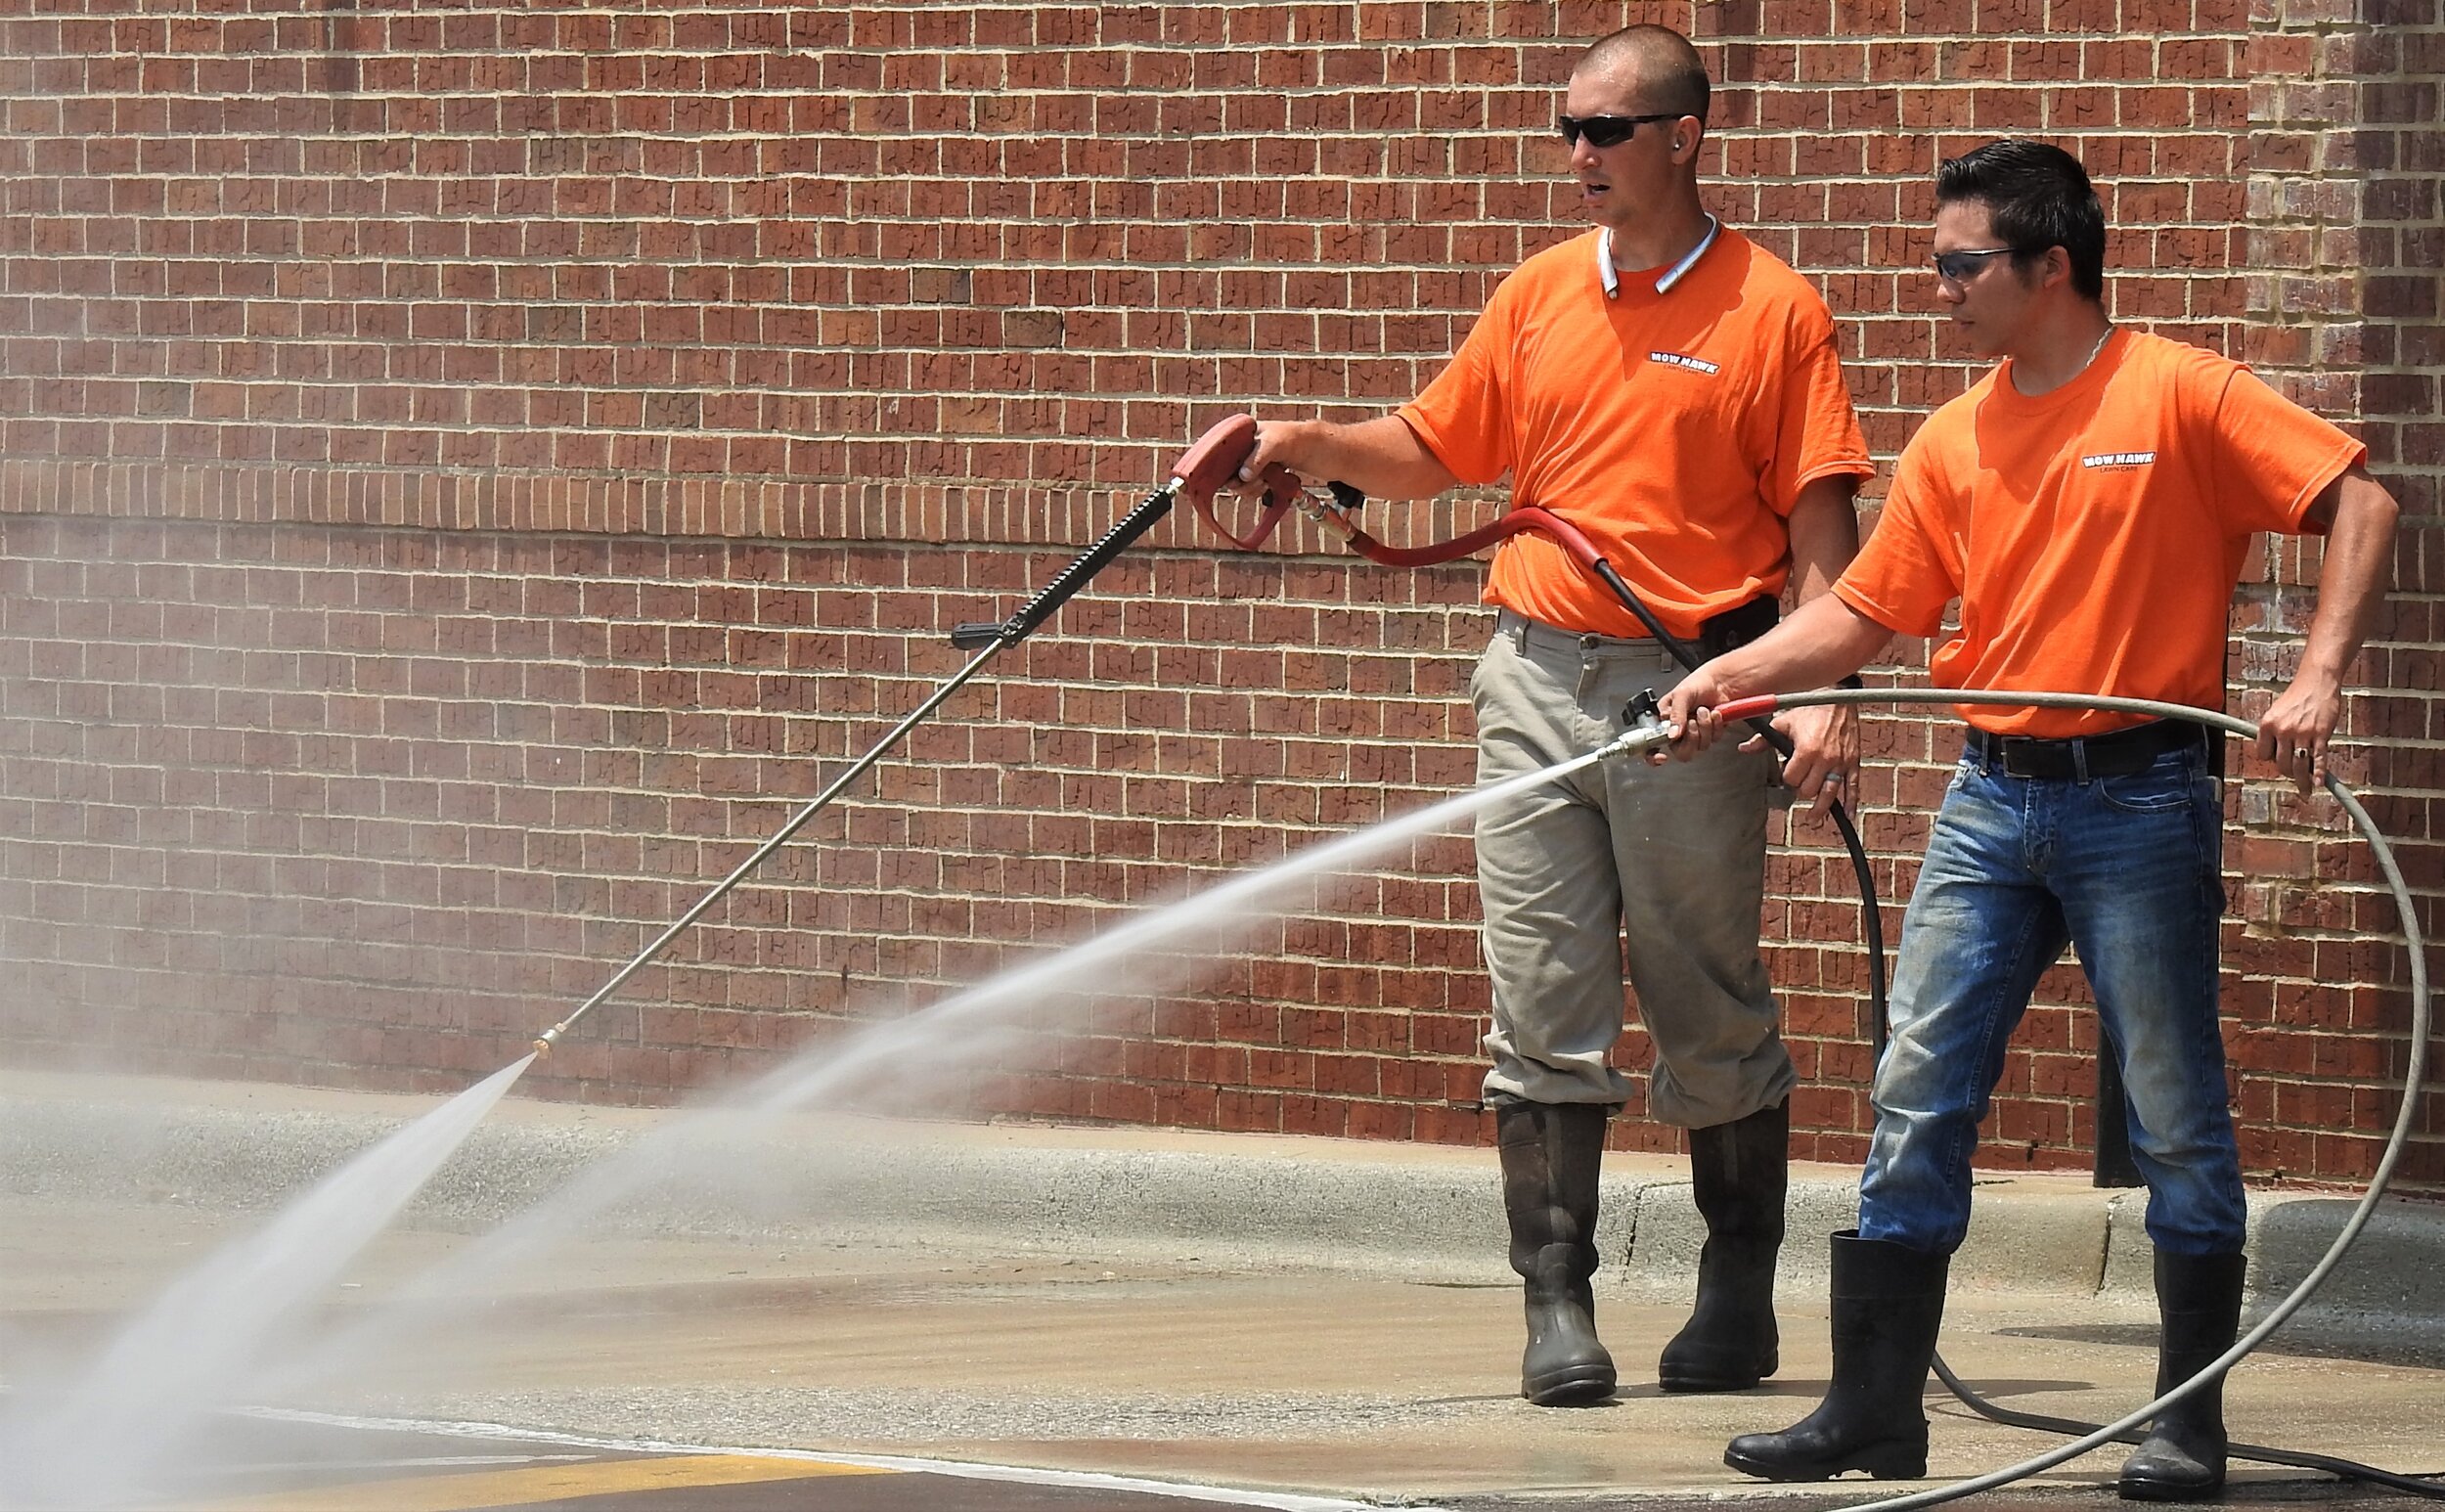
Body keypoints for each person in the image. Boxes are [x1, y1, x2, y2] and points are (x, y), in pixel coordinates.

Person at [1660, 139, 2399, 1498]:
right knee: (1917, 1093)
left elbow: (2362, 497)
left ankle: (2187, 1422)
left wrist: (2319, 671)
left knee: (2176, 1112)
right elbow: (1869, 611)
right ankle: (1874, 1412)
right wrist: (1732, 671)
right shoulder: (1955, 434)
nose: (1941, 289)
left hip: (2144, 791)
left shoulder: (2180, 392)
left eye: (1962, 265)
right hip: (1991, 799)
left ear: (2050, 266)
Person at [1232, 24, 1873, 1406]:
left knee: (1706, 997)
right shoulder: (1535, 296)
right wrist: (1306, 441)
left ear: (1685, 137)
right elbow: (1431, 451)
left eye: (1605, 131)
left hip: (1694, 693)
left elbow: (1823, 523)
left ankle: (1735, 1290)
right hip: (1530, 677)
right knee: (1539, 999)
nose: (1576, 155)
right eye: (1566, 128)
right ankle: (1557, 1301)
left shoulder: (1773, 308)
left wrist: (1816, 693)